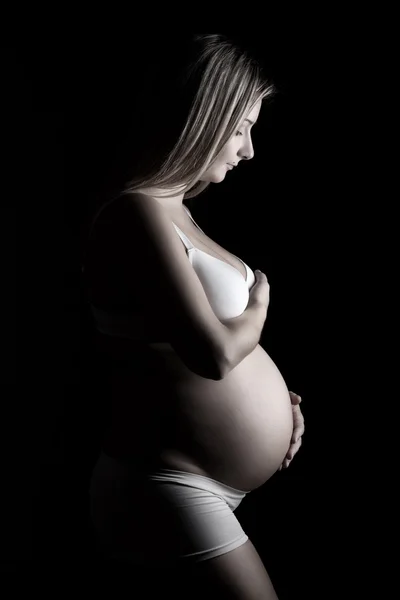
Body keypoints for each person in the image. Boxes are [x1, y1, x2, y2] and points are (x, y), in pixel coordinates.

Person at [83, 34, 305, 599]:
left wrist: (280, 406)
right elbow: (213, 354)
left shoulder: (177, 212)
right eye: (239, 127)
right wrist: (259, 307)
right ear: (201, 114)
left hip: (200, 482)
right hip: (167, 486)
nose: (249, 149)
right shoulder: (136, 213)